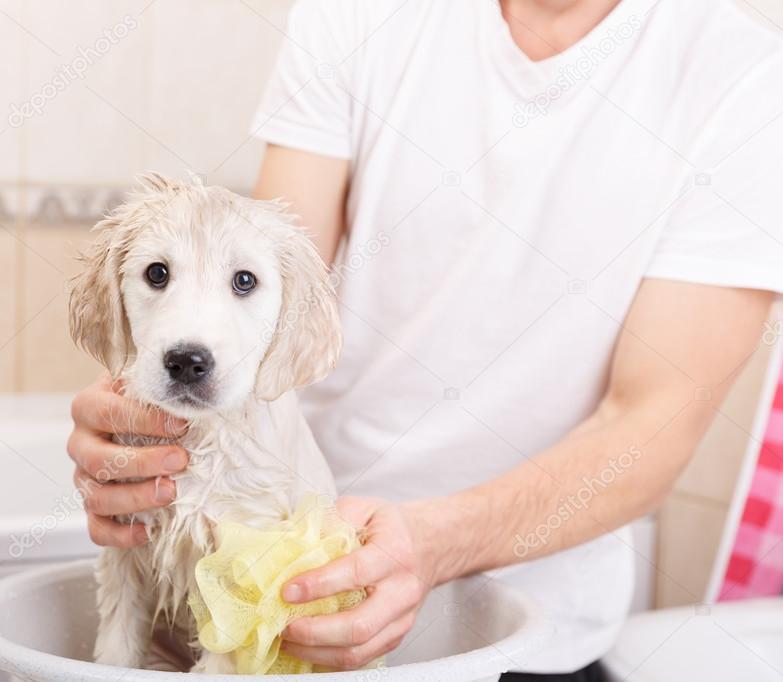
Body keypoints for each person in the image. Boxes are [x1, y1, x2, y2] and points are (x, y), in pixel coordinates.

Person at [67, 0, 783, 678]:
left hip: (529, 625)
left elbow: (650, 423)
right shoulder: (355, 13)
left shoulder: (745, 77)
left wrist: (437, 543)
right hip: (292, 572)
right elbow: (267, 302)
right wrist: (145, 428)